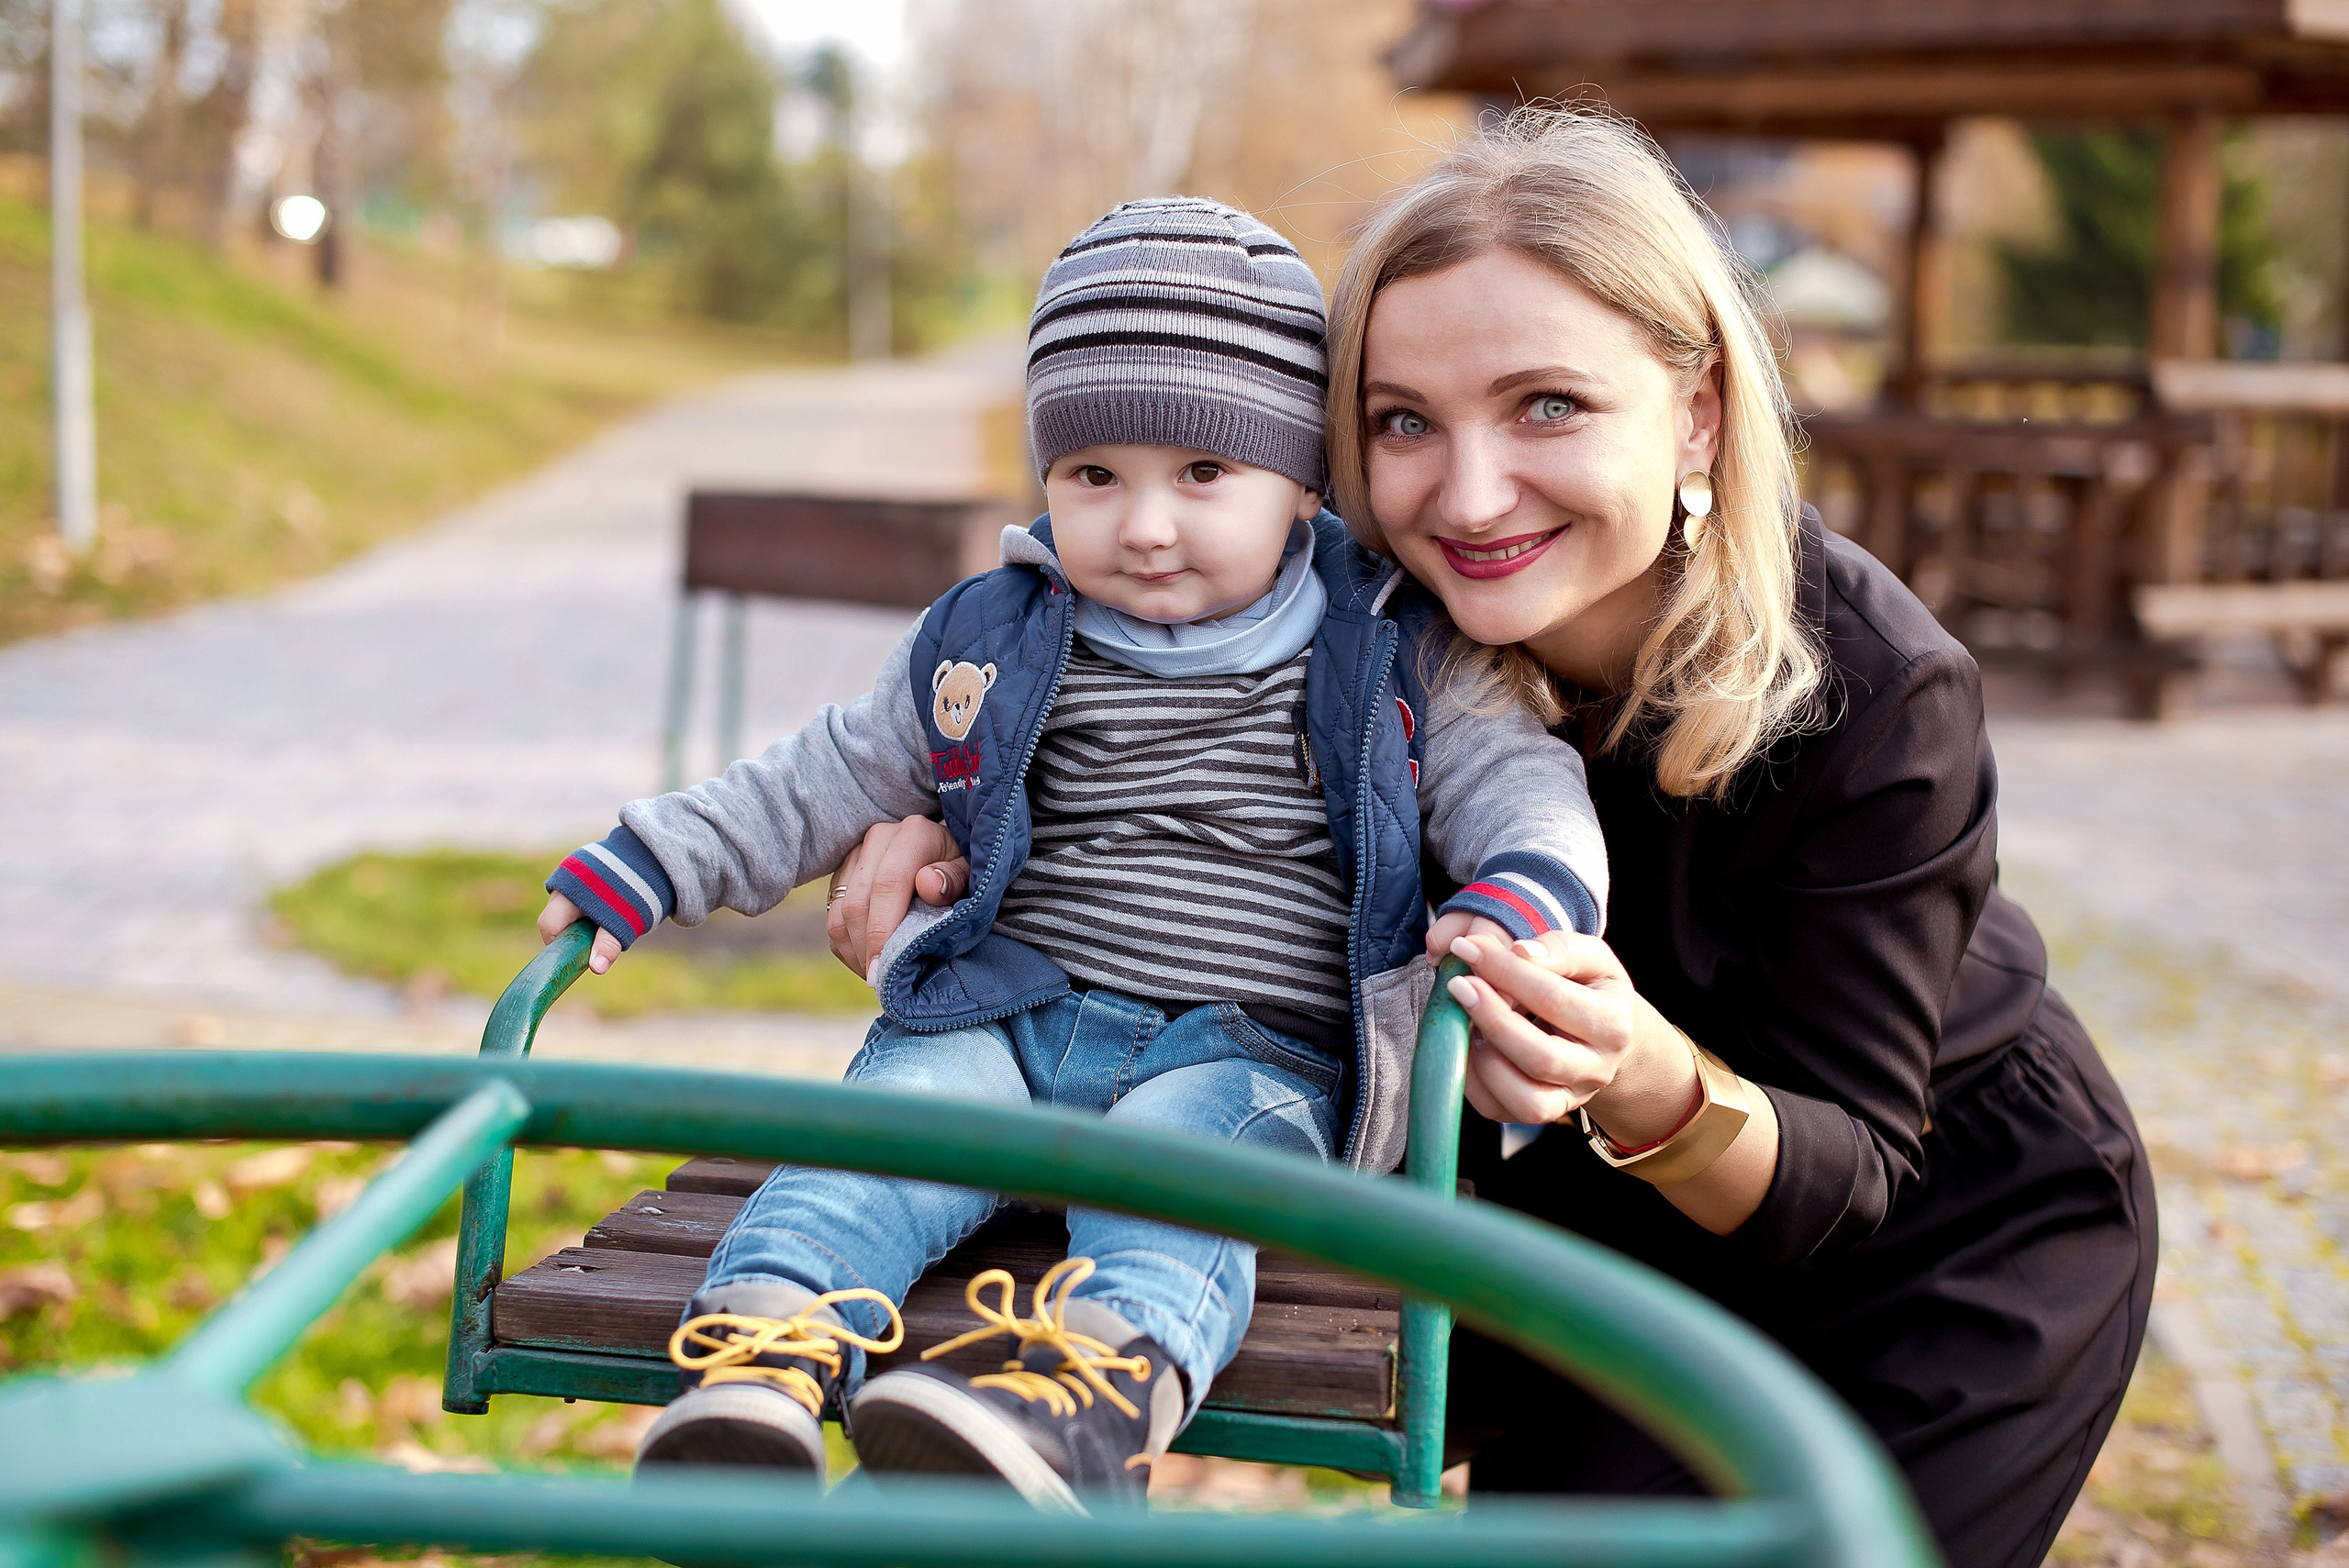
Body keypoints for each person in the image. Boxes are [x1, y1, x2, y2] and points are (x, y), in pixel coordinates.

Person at [831, 114, 2156, 1566]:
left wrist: (1640, 1076)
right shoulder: (1341, 627)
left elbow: (1846, 1178)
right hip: (1612, 1207)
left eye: (1547, 407)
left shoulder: (1876, 690)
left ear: (1698, 413)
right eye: (1404, 422)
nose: (1466, 497)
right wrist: (957, 834)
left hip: (1945, 1217)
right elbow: (1102, 758)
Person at [535, 195, 1609, 1512]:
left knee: (1184, 1181)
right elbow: (825, 771)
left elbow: (1522, 780)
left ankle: (1075, 1402)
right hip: (1013, 1007)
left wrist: (1524, 894)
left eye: (1203, 475)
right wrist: (656, 861)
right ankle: (758, 1362)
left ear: (1302, 482)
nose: (1145, 526)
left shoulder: (1387, 639)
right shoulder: (998, 632)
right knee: (887, 1132)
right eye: (1094, 476)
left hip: (1251, 1043)